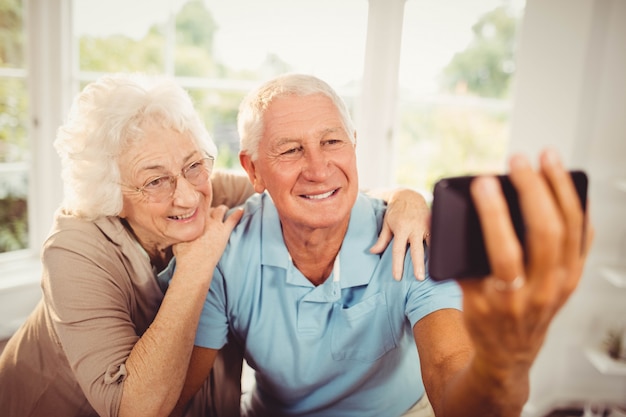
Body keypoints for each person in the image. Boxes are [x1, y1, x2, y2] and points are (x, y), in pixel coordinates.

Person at [0, 73, 431, 417]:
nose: (187, 196)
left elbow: (314, 189)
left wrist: (405, 198)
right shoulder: (74, 249)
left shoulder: (215, 192)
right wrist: (196, 265)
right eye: (155, 181)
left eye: (192, 166)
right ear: (110, 193)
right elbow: (135, 409)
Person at [175, 73, 594, 417]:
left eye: (333, 142)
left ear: (354, 145)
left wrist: (504, 363)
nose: (319, 169)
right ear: (253, 169)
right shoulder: (225, 253)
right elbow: (172, 397)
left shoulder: (412, 235)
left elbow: (451, 371)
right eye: (290, 150)